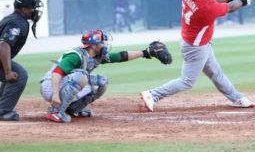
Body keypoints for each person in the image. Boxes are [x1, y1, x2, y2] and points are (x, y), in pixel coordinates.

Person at [140, 0, 255, 112]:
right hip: (195, 47)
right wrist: (243, 2)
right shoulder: (206, 9)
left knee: (216, 73)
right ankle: (153, 95)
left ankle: (237, 98)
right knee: (187, 81)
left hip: (195, 41)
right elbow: (230, 8)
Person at [40, 30, 172, 123]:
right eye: (102, 42)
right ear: (93, 45)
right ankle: (55, 111)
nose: (105, 45)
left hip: (64, 83)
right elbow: (56, 73)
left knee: (100, 82)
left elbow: (120, 56)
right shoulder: (76, 55)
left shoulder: (96, 55)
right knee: (81, 76)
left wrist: (145, 52)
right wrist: (56, 95)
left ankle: (72, 110)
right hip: (50, 86)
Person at [0, 0, 43, 121]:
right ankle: (3, 111)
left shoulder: (12, 19)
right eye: (32, 8)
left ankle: (2, 107)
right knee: (19, 74)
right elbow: (4, 44)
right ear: (24, 9)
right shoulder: (17, 22)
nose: (35, 11)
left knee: (14, 74)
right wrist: (7, 71)